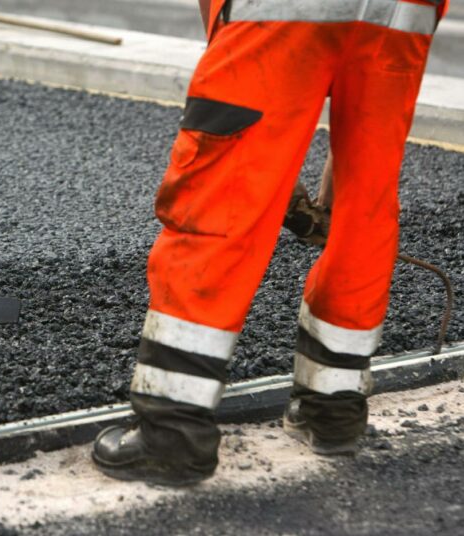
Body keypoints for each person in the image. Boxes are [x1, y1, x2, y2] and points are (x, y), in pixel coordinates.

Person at [92, 0, 448, 486]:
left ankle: (172, 431)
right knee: (364, 204)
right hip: (402, 14)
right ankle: (333, 410)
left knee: (220, 189)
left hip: (282, 11)